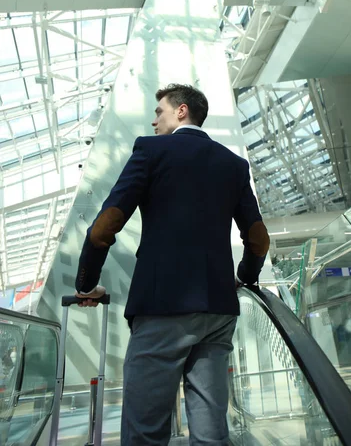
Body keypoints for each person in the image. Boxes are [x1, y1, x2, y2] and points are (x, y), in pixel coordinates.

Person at [74, 83, 269, 445]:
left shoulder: (152, 151)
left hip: (162, 309)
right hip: (218, 311)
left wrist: (86, 283)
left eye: (159, 111)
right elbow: (258, 239)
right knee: (211, 434)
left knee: (145, 433)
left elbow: (104, 227)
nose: (153, 121)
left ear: (181, 111)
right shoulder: (233, 164)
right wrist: (244, 278)